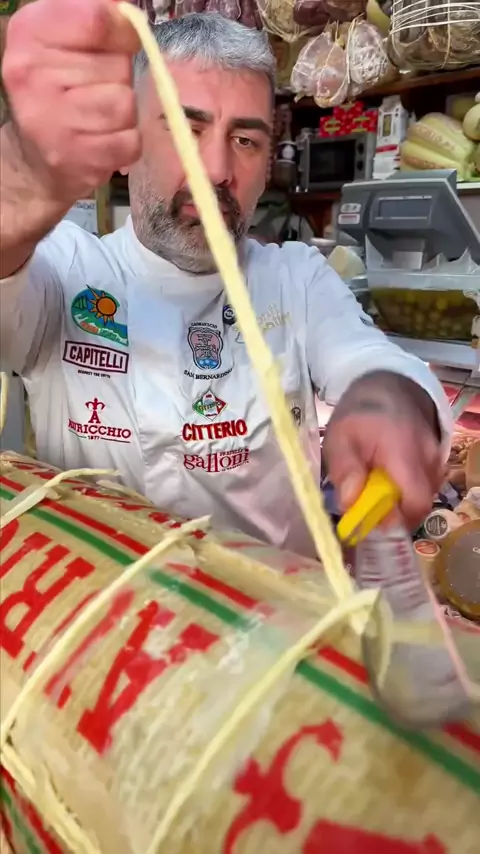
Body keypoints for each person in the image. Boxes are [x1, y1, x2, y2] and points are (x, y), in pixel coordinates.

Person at [0, 0, 451, 557]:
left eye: (245, 141)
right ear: (124, 148)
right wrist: (21, 177)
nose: (216, 171)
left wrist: (390, 402)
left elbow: (370, 359)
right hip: (98, 607)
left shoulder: (295, 280)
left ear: (266, 169)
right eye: (186, 129)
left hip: (275, 608)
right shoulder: (66, 271)